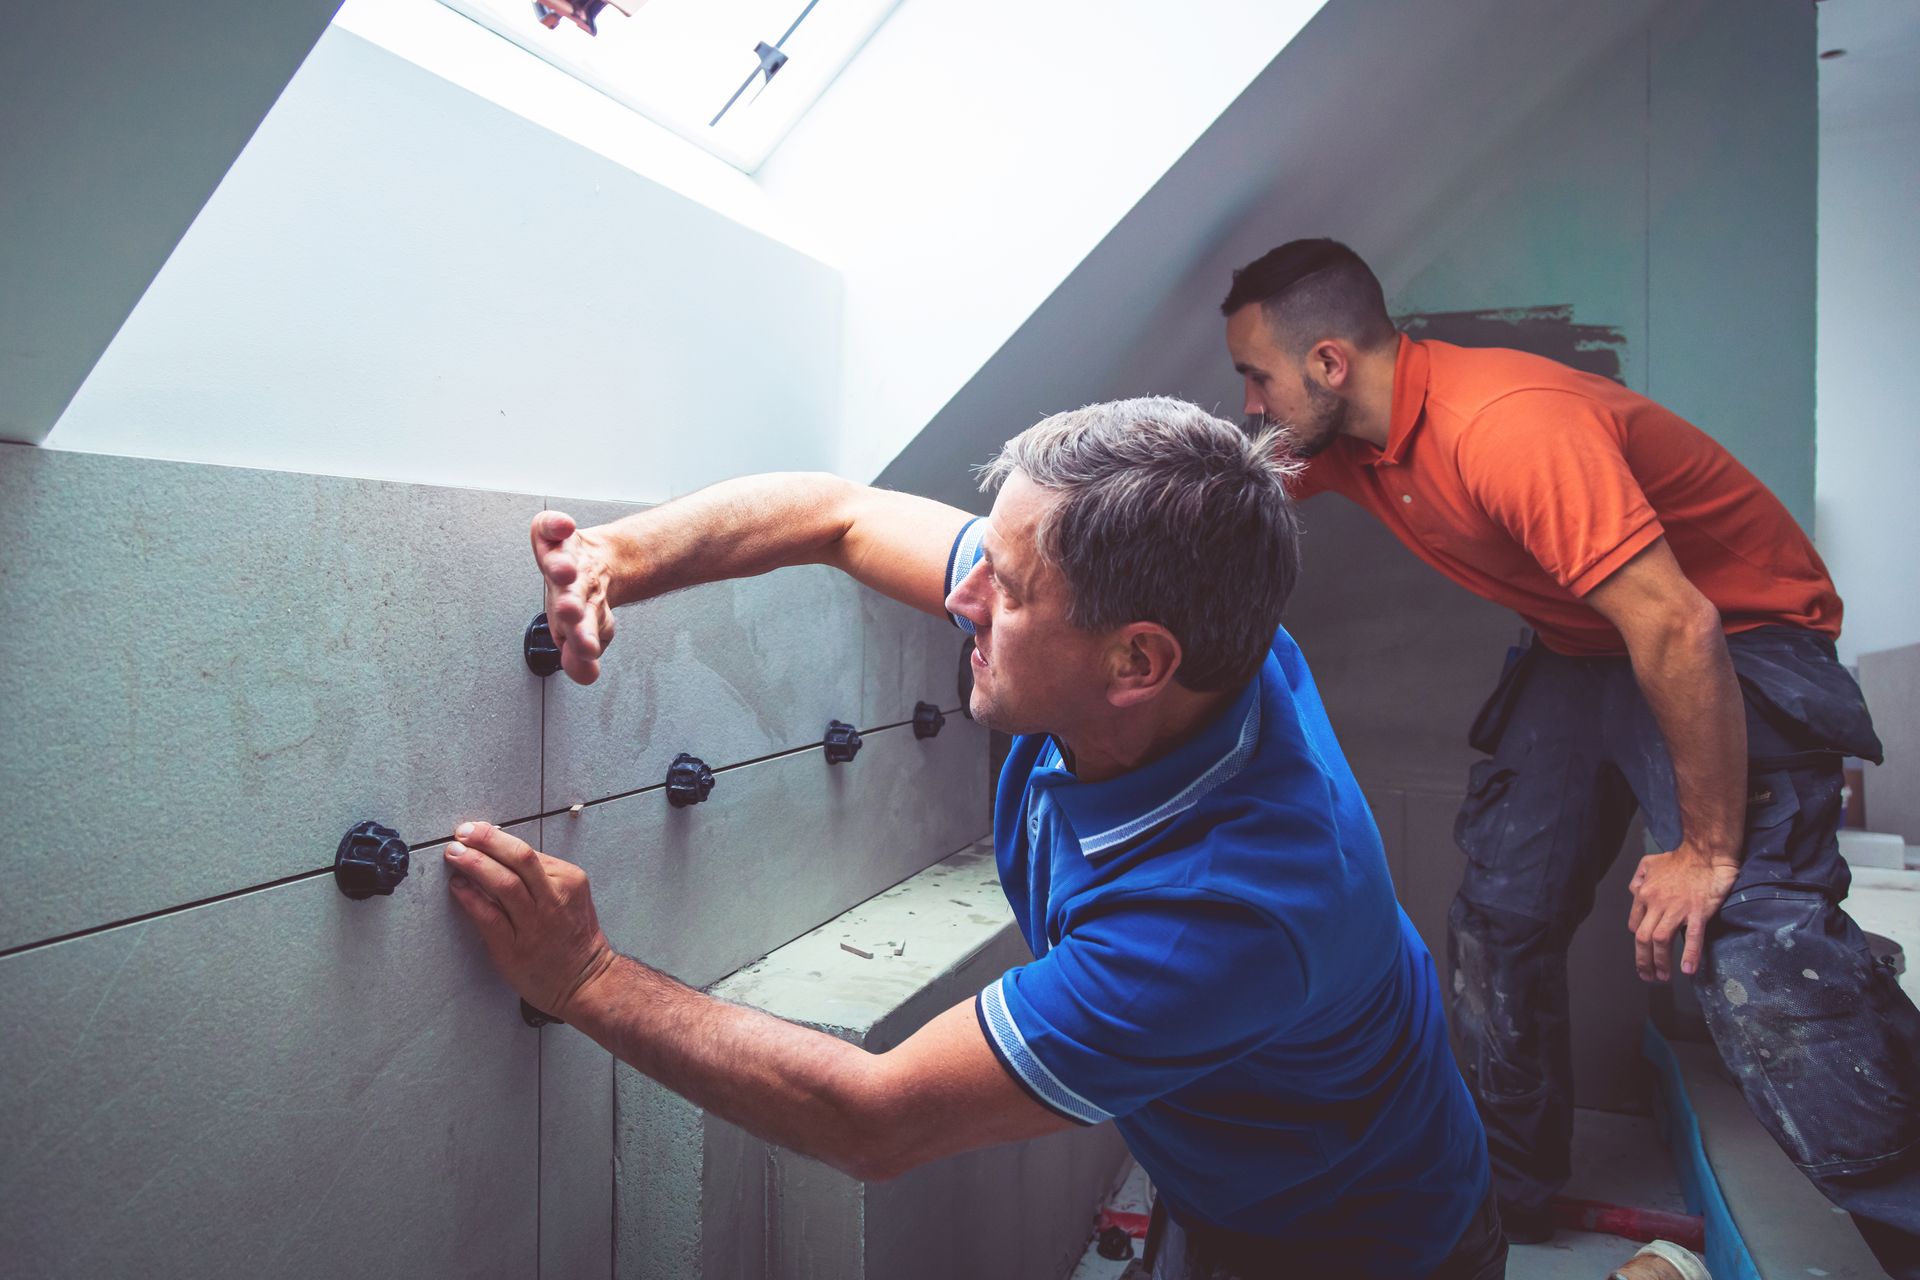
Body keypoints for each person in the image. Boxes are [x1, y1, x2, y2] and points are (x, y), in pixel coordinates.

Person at [444, 398, 1504, 1278]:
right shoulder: (1197, 644)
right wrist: (612, 556)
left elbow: (875, 1118)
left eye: (1008, 589)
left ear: (1136, 663)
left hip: (1358, 1237)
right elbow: (839, 515)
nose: (960, 597)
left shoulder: (1218, 919)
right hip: (1239, 1164)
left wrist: (582, 974)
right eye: (984, 556)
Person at [1221, 238, 1920, 1272]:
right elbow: (1216, 485)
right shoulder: (1349, 442)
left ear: (1327, 363)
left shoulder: (1504, 427)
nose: (1249, 403)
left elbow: (1678, 625)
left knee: (1754, 947)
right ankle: (1506, 1192)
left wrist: (1706, 849)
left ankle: (1904, 1215)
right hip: (1586, 644)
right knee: (1500, 920)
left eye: (1255, 378)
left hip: (1733, 640)